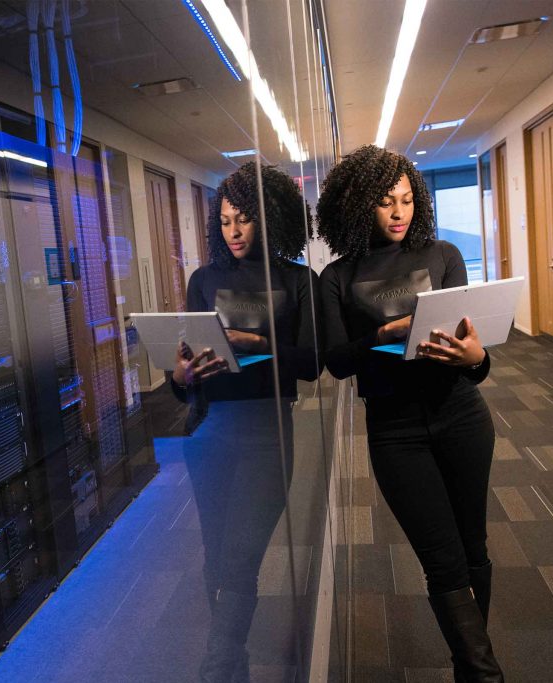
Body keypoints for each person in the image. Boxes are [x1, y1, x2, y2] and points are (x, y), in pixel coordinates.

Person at [317, 145, 503, 682]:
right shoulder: (338, 276)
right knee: (442, 560)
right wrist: (383, 334)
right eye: (385, 203)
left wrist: (479, 357)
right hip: (395, 431)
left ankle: (472, 668)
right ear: (358, 206)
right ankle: (486, 674)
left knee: (473, 548)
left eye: (405, 201)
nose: (399, 213)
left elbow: (473, 359)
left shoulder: (442, 255)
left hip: (463, 415)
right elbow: (335, 362)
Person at [170, 161, 320, 682]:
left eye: (245, 219)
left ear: (271, 218)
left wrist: (261, 345)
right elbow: (184, 374)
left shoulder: (298, 280)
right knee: (217, 561)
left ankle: (215, 667)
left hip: (267, 431)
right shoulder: (203, 279)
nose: (234, 231)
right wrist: (182, 374)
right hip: (210, 431)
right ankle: (233, 665)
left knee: (240, 557)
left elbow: (313, 364)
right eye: (227, 220)